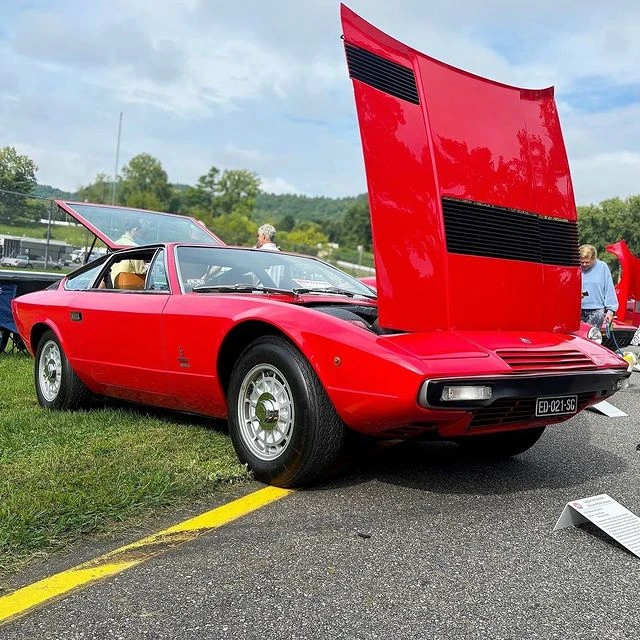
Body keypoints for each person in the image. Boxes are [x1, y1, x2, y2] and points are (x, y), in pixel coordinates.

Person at [580, 244, 618, 328]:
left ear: (594, 259)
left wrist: (610, 311)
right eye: (582, 262)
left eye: (587, 262)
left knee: (593, 338)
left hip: (596, 310)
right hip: (577, 310)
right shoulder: (576, 267)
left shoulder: (602, 267)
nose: (584, 265)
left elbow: (609, 289)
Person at [110, 220, 147, 286]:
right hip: (128, 287)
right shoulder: (134, 247)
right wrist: (149, 266)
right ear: (135, 229)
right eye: (140, 232)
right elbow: (141, 271)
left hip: (113, 285)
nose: (140, 235)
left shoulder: (115, 244)